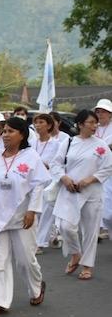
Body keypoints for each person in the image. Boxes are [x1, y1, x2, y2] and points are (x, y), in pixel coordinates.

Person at [0, 117, 50, 315]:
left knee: (25, 260)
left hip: (22, 217)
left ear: (22, 134)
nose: (5, 135)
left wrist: (32, 210)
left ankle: (36, 288)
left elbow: (38, 186)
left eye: (10, 131)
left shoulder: (31, 156)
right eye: (4, 131)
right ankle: (0, 301)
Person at [51, 110, 112, 280]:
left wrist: (90, 179)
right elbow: (56, 164)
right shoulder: (69, 142)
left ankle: (87, 266)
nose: (94, 126)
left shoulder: (101, 145)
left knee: (90, 230)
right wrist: (64, 178)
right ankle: (76, 253)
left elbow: (108, 166)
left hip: (92, 192)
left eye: (96, 122)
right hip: (71, 191)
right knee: (66, 227)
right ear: (80, 124)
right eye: (91, 122)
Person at [32, 114, 61, 253]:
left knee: (46, 213)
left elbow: (57, 163)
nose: (38, 125)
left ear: (49, 125)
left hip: (49, 181)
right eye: (36, 122)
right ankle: (52, 233)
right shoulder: (32, 143)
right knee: (35, 212)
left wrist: (44, 164)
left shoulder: (56, 144)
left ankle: (40, 242)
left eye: (41, 122)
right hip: (34, 181)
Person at [93, 99, 112, 238]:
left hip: (110, 168)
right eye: (98, 111)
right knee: (100, 197)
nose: (101, 114)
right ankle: (101, 226)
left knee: (107, 197)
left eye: (104, 111)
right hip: (95, 168)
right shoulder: (93, 127)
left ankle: (106, 225)